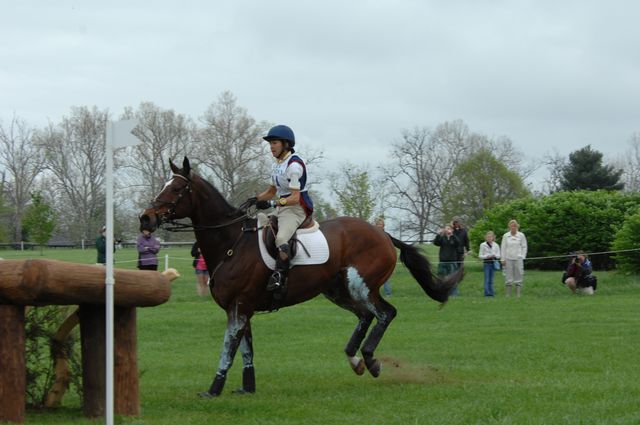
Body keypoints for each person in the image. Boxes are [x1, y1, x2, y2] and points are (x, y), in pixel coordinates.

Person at [249, 125, 314, 291]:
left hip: (296, 208)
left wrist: (271, 204)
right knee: (259, 223)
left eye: (274, 143)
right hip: (282, 207)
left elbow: (294, 198)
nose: (271, 146)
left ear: (286, 144)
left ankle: (280, 277)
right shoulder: (277, 164)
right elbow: (271, 192)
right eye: (270, 143)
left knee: (281, 239)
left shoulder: (294, 166)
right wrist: (254, 199)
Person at [500, 219, 527, 297]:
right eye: (512, 226)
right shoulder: (506, 235)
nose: (513, 227)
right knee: (508, 276)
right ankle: (508, 294)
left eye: (515, 226)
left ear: (517, 226)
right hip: (508, 258)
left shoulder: (521, 235)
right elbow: (503, 247)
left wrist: (522, 256)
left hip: (518, 258)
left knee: (519, 275)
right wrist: (503, 259)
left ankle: (518, 294)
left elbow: (524, 246)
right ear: (509, 227)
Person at [478, 231, 501, 297]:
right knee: (487, 279)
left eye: (490, 237)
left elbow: (499, 255)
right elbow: (480, 255)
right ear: (486, 238)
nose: (489, 238)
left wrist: (494, 256)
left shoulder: (496, 245)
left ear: (493, 237)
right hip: (486, 263)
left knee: (491, 279)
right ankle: (487, 293)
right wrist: (487, 256)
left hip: (493, 263)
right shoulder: (483, 245)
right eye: (488, 237)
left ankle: (491, 293)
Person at [375, 216, 392, 296]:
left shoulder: (386, 235)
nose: (379, 226)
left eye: (380, 224)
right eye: (378, 224)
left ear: (383, 226)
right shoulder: (373, 235)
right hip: (375, 260)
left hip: (384, 259)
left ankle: (388, 293)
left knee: (386, 277)